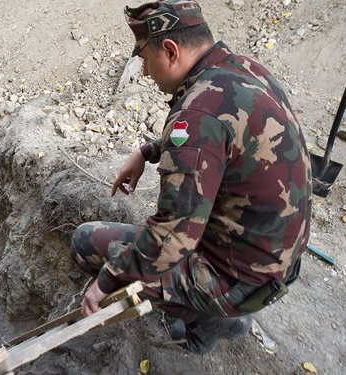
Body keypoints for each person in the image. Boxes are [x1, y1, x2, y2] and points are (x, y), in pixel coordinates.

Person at [70, 0, 311, 354]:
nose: (146, 73)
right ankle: (224, 305)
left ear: (169, 50)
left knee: (85, 242)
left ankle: (214, 318)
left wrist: (108, 280)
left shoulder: (197, 113)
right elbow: (225, 142)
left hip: (238, 279)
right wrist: (147, 151)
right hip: (277, 264)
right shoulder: (244, 70)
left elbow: (170, 237)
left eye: (145, 59)